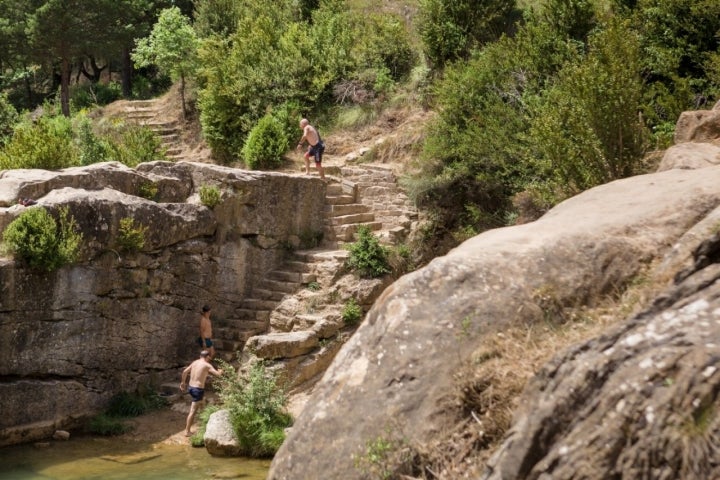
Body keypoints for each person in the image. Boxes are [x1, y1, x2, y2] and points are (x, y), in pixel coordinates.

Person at [180, 350, 223, 436]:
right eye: (209, 357)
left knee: (203, 404)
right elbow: (218, 375)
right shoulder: (207, 365)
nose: (209, 359)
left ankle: (205, 424)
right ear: (207, 357)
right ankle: (187, 431)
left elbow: (185, 372)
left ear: (200, 356)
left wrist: (182, 383)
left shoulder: (195, 362)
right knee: (193, 411)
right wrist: (221, 371)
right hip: (197, 390)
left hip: (191, 388)